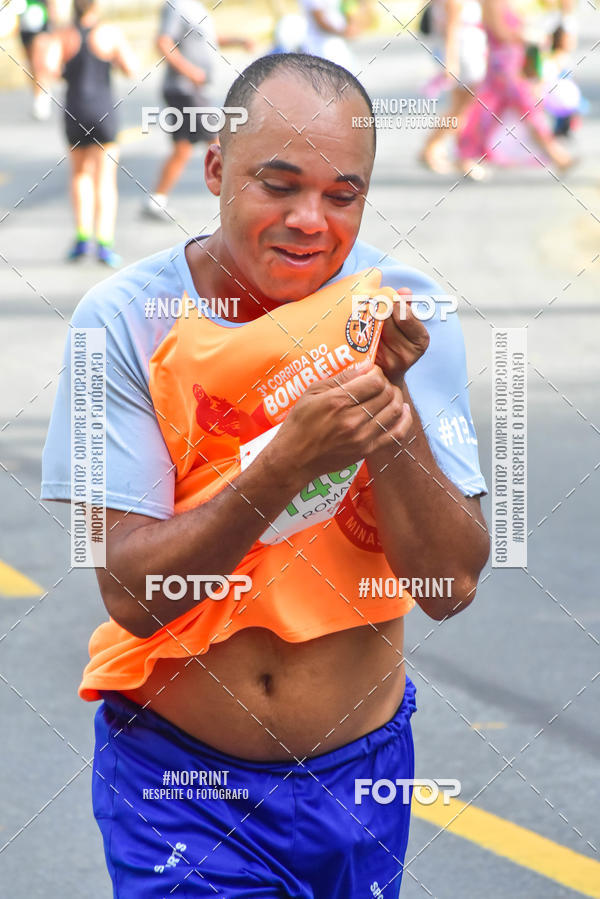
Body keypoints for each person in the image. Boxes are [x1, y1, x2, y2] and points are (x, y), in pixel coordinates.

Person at [41, 53, 490, 897]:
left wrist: (389, 419)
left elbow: (450, 583)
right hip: (180, 788)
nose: (310, 221)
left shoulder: (401, 310)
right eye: (277, 185)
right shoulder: (126, 320)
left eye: (342, 195)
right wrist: (284, 463)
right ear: (215, 168)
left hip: (361, 779)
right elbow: (133, 595)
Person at [34, 0, 137, 265]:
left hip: (74, 110)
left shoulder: (63, 36)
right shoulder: (109, 33)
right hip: (103, 111)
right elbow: (130, 68)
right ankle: (104, 242)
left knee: (79, 175)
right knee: (105, 179)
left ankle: (82, 236)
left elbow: (48, 70)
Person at [143, 0, 252, 220]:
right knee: (219, 141)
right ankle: (241, 202)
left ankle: (157, 200)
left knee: (182, 149)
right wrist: (190, 71)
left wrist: (237, 40)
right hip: (185, 89)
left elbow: (207, 39)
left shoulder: (196, 8)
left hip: (192, 90)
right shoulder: (176, 6)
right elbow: (163, 42)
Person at [457, 0, 573, 177]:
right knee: (523, 109)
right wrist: (529, 36)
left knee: (495, 112)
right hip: (503, 69)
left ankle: (467, 156)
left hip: (514, 65)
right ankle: (556, 155)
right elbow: (500, 32)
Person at [420, 0, 488, 174]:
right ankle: (443, 150)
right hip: (464, 54)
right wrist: (451, 63)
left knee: (460, 108)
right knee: (464, 109)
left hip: (467, 51)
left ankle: (438, 149)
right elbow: (451, 28)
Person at [17, 0, 55, 120]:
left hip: (41, 26)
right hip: (25, 27)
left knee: (38, 63)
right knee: (31, 66)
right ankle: (39, 93)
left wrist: (52, 23)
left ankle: (41, 101)